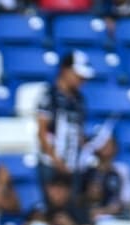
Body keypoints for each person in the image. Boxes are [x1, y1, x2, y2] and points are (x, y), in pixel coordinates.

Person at [36, 51, 93, 190]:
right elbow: (42, 132)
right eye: (77, 75)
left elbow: (79, 131)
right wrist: (57, 161)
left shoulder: (80, 100)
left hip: (73, 165)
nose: (81, 80)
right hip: (51, 164)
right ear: (65, 70)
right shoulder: (50, 95)